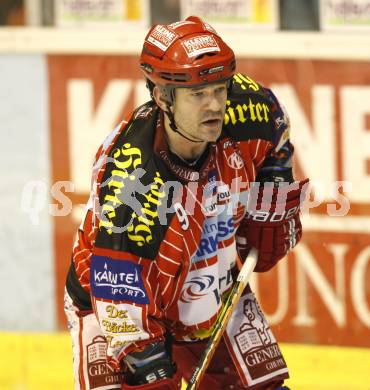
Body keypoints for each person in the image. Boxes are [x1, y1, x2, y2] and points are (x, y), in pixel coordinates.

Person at [64, 16, 308, 390]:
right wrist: (150, 369)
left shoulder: (245, 109)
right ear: (163, 97)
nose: (214, 105)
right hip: (112, 301)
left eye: (219, 89)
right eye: (198, 95)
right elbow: (124, 313)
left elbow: (277, 129)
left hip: (210, 284)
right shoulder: (133, 186)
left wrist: (272, 190)